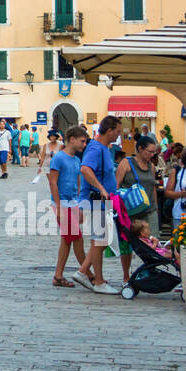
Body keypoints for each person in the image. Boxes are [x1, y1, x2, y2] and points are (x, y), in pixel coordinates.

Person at [71, 115, 122, 294]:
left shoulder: (104, 148)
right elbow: (85, 169)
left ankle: (97, 279)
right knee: (101, 240)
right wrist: (101, 188)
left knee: (98, 241)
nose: (118, 135)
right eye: (117, 131)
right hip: (96, 201)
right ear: (109, 131)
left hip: (103, 202)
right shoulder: (95, 148)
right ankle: (85, 273)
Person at [49, 125, 89, 287]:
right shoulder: (58, 158)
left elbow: (78, 184)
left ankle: (58, 275)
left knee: (67, 240)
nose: (84, 145)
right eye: (82, 141)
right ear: (72, 140)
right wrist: (58, 207)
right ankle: (87, 273)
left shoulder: (77, 160)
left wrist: (79, 206)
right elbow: (52, 181)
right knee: (77, 238)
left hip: (72, 203)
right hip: (62, 203)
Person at [115, 134, 159, 283]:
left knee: (153, 241)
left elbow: (152, 187)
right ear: (140, 149)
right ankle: (126, 276)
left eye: (154, 152)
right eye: (149, 151)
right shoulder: (126, 163)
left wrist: (156, 207)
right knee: (128, 244)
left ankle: (150, 271)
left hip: (149, 209)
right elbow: (116, 184)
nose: (152, 155)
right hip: (130, 211)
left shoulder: (151, 166)